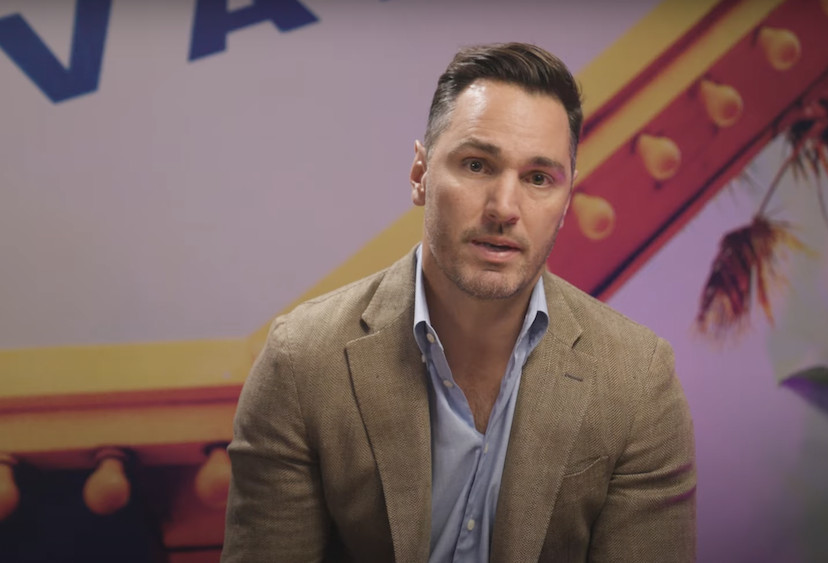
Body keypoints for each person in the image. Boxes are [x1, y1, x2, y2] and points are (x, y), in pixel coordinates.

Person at [222, 42, 696, 562]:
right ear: (420, 175)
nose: (504, 208)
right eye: (477, 165)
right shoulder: (302, 362)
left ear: (566, 203)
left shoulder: (637, 381)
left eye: (538, 178)